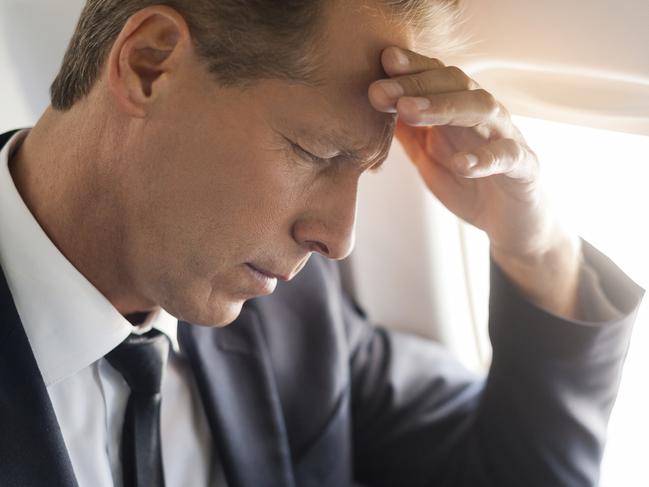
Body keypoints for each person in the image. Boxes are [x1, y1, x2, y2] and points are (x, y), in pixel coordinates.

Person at [0, 1, 643, 486]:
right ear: (150, 64)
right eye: (316, 151)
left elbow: (517, 472)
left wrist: (537, 249)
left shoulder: (292, 314)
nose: (339, 240)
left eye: (363, 172)